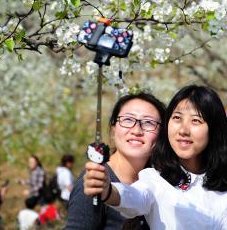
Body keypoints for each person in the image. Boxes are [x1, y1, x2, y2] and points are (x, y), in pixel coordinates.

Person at [84, 85, 227, 229]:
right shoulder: (155, 179)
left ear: (215, 130)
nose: (183, 130)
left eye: (195, 121)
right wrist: (108, 191)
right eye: (177, 118)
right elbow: (133, 197)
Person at [66, 92, 166, 229]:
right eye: (128, 120)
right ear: (113, 130)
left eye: (149, 122)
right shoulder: (96, 180)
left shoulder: (159, 181)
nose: (137, 130)